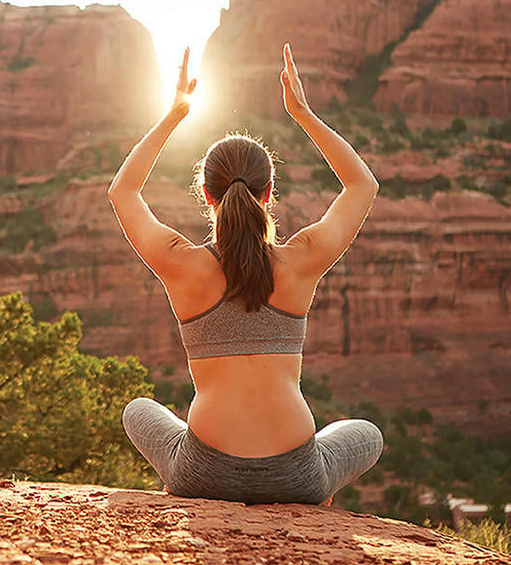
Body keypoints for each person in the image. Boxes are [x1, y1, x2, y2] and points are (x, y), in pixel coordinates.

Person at [107, 43, 383, 505]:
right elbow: (362, 185)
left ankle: (179, 484)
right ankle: (315, 498)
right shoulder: (300, 261)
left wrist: (175, 113)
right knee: (366, 433)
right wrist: (303, 114)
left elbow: (124, 191)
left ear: (208, 196)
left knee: (138, 409)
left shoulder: (184, 264)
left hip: (204, 472)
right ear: (270, 193)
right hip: (297, 476)